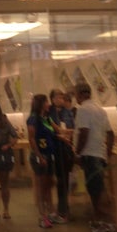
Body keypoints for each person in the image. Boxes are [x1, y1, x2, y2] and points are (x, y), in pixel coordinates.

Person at [74, 82, 117, 232]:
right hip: (100, 153)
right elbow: (110, 134)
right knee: (99, 189)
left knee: (96, 191)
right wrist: (108, 153)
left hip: (90, 155)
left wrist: (77, 153)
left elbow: (84, 133)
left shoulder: (83, 110)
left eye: (75, 95)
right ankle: (102, 221)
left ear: (80, 94)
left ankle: (105, 222)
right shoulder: (100, 110)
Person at [27, 94, 63, 228]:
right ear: (41, 104)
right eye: (46, 102)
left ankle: (51, 211)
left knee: (49, 183)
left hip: (49, 154)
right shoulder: (33, 119)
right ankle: (42, 216)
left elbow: (57, 129)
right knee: (42, 187)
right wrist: (39, 156)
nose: (49, 104)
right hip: (40, 156)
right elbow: (31, 139)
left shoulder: (46, 117)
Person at [48, 88, 75, 220]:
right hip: (55, 149)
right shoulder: (49, 113)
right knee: (59, 180)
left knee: (65, 179)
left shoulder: (67, 112)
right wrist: (60, 134)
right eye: (57, 97)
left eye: (61, 97)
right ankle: (61, 208)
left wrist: (64, 133)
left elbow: (72, 129)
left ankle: (65, 208)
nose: (60, 99)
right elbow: (50, 130)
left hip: (66, 149)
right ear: (52, 99)